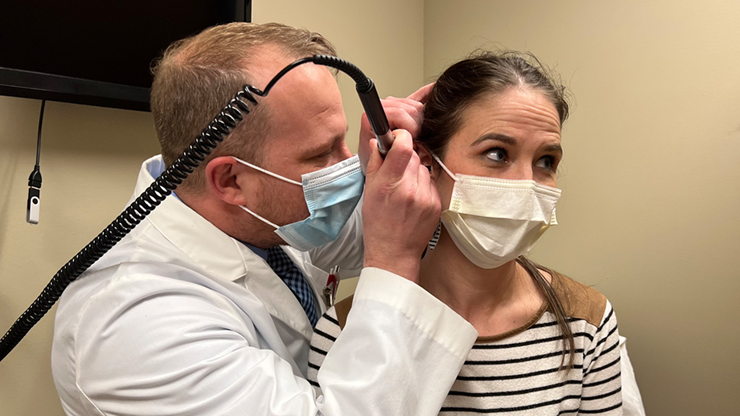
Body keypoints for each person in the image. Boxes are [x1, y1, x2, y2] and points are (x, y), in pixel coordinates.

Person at [51, 22, 479, 415]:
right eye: (320, 153)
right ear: (231, 179)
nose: (345, 165)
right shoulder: (134, 325)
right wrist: (395, 261)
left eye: (343, 141)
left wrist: (377, 166)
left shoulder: (256, 212)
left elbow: (352, 239)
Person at [309, 51, 635, 415]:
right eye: (497, 153)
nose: (526, 184)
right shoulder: (346, 330)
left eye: (546, 161)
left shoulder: (586, 321)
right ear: (426, 162)